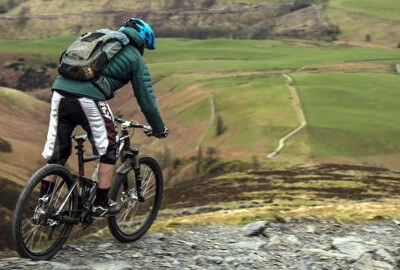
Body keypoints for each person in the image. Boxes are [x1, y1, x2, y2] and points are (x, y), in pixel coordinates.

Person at [41, 18, 168, 217]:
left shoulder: (96, 38)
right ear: (143, 40)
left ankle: (43, 205)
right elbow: (146, 98)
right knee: (110, 146)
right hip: (88, 98)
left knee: (57, 154)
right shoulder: (134, 57)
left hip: (59, 94)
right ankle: (101, 204)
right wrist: (159, 128)